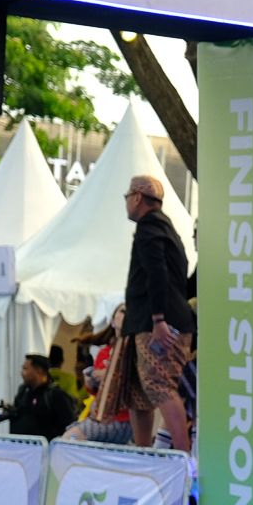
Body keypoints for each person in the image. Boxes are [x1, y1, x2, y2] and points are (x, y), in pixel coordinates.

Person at [104, 175, 194, 452]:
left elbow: (157, 272)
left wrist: (159, 319)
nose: (127, 202)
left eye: (127, 197)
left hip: (155, 323)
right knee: (138, 394)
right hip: (150, 321)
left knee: (160, 385)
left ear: (137, 197)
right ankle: (144, 454)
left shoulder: (149, 227)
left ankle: (183, 456)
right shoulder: (168, 229)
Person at [62, 307, 135, 444]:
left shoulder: (135, 352)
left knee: (67, 440)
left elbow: (136, 388)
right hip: (100, 415)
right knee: (69, 437)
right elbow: (96, 392)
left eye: (128, 312)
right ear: (112, 320)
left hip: (123, 418)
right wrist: (91, 384)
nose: (125, 315)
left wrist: (110, 378)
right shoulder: (103, 353)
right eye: (122, 311)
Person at [0, 354, 79, 441]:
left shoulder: (55, 395)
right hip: (20, 444)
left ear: (39, 371)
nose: (22, 373)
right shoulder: (23, 391)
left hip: (45, 446)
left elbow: (70, 424)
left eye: (25, 369)